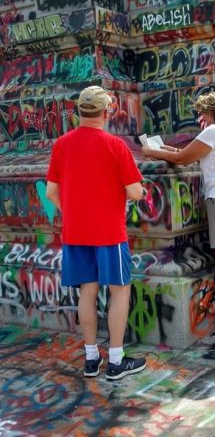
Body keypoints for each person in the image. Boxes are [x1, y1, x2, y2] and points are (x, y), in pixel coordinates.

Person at [46, 86, 146, 379]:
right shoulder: (115, 146)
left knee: (86, 293)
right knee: (119, 290)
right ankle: (116, 360)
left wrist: (73, 212)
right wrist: (138, 191)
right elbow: (135, 191)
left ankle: (91, 359)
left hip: (75, 233)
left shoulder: (61, 145)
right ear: (107, 113)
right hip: (109, 234)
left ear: (78, 112)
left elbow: (52, 192)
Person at [142, 91, 215, 328]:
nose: (198, 119)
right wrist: (164, 147)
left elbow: (184, 159)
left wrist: (151, 151)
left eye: (200, 114)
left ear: (209, 113)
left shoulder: (213, 132)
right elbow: (190, 155)